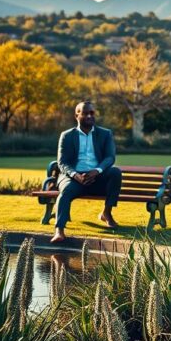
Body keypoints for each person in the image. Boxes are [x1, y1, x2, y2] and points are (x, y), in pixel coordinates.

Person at [51, 101, 122, 243]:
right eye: (85, 113)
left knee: (115, 172)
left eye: (92, 113)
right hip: (74, 178)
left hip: (97, 178)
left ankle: (106, 213)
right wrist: (75, 175)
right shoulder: (67, 136)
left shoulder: (105, 134)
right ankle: (59, 230)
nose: (90, 116)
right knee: (65, 192)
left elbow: (110, 157)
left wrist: (97, 170)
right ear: (77, 115)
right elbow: (62, 162)